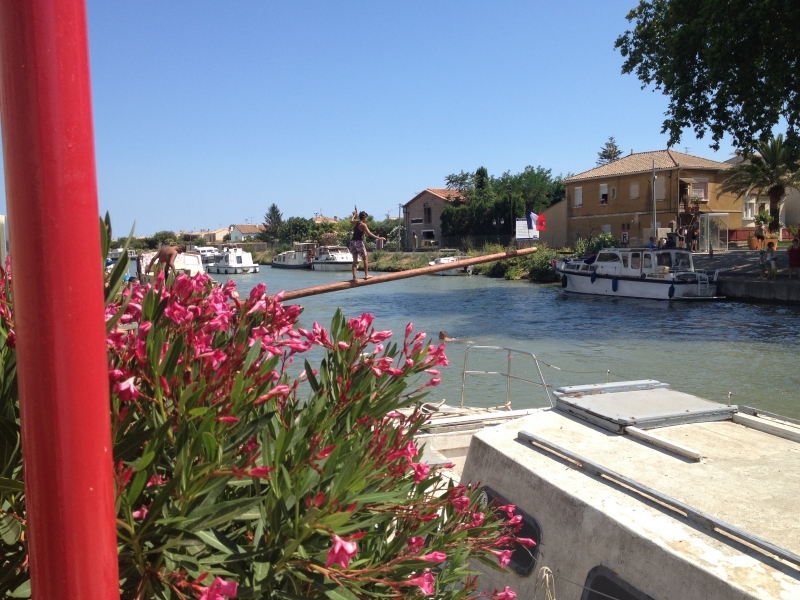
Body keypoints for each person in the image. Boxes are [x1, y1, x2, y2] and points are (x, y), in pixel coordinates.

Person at [350, 210, 385, 281]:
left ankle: (354, 277)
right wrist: (379, 238)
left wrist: (354, 215)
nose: (367, 219)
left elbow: (351, 220)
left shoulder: (356, 223)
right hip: (359, 242)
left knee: (355, 261)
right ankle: (366, 275)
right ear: (364, 217)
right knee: (365, 258)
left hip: (352, 242)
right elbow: (370, 234)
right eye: (366, 218)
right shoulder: (363, 225)